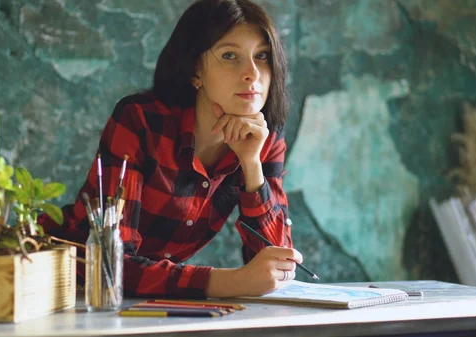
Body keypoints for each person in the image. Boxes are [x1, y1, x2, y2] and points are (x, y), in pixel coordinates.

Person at [39, 0, 304, 299]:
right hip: (60, 283)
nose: (252, 73)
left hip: (143, 301)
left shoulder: (264, 136)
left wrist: (251, 163)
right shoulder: (140, 121)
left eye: (262, 56)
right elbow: (110, 265)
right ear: (195, 71)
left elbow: (279, 263)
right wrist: (231, 282)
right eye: (230, 55)